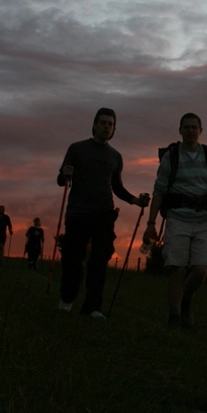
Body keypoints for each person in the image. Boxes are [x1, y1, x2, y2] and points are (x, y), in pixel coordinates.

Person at [56, 107, 150, 319]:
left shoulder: (115, 156)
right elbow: (62, 180)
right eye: (103, 122)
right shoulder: (77, 149)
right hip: (78, 213)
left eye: (110, 124)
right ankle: (67, 298)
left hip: (104, 214)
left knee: (99, 261)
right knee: (73, 259)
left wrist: (135, 200)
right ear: (95, 125)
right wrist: (65, 174)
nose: (106, 126)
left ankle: (92, 307)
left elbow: (116, 186)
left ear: (114, 129)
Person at [143, 113, 207, 329]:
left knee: (202, 268)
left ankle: (186, 300)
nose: (190, 130)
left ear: (201, 130)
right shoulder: (171, 156)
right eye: (186, 127)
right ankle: (174, 317)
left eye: (194, 127)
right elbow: (159, 190)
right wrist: (151, 223)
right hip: (177, 217)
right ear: (180, 130)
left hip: (202, 220)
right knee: (177, 268)